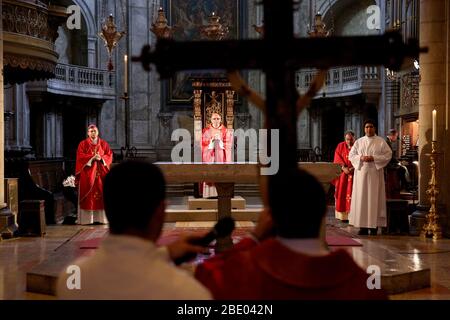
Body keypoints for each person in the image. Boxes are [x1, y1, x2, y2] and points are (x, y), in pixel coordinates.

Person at [195, 169, 387, 300]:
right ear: (322, 214)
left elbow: (206, 273)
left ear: (269, 215)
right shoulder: (367, 288)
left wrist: (253, 238)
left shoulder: (240, 273)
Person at [57, 160, 211, 300]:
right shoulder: (189, 293)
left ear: (106, 206)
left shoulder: (71, 280)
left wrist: (166, 253)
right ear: (160, 211)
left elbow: (130, 264)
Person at [349, 120, 392, 236]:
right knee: (362, 198)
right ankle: (362, 226)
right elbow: (351, 155)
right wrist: (361, 158)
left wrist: (374, 158)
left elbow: (388, 155)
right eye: (367, 127)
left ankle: (374, 227)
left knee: (374, 198)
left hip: (375, 174)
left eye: (371, 127)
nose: (369, 129)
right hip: (361, 174)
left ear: (375, 128)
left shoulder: (381, 142)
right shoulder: (359, 142)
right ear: (364, 129)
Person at [75, 125, 113, 225]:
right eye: (91, 131)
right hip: (88, 174)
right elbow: (80, 156)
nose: (93, 133)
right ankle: (88, 220)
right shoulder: (82, 144)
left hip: (101, 174)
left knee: (102, 193)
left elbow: (109, 155)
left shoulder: (104, 144)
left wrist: (101, 158)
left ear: (98, 132)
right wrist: (92, 157)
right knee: (89, 196)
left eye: (94, 131)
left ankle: (101, 219)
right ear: (88, 133)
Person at [201, 112, 232, 198]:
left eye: (218, 118)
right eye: (214, 118)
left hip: (221, 157)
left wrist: (220, 142)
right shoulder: (206, 130)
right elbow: (202, 144)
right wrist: (211, 141)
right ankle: (209, 194)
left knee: (220, 174)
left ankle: (221, 193)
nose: (216, 120)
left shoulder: (225, 131)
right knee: (210, 174)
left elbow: (229, 144)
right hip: (210, 156)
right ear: (210, 120)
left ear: (221, 120)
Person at [333, 130, 355, 221]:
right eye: (347, 139)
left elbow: (360, 157)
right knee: (342, 192)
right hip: (343, 173)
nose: (349, 141)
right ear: (344, 139)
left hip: (354, 172)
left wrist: (352, 168)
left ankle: (353, 216)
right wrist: (343, 167)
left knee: (353, 193)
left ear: (354, 138)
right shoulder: (340, 146)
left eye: (350, 139)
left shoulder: (357, 145)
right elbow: (337, 157)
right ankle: (343, 216)